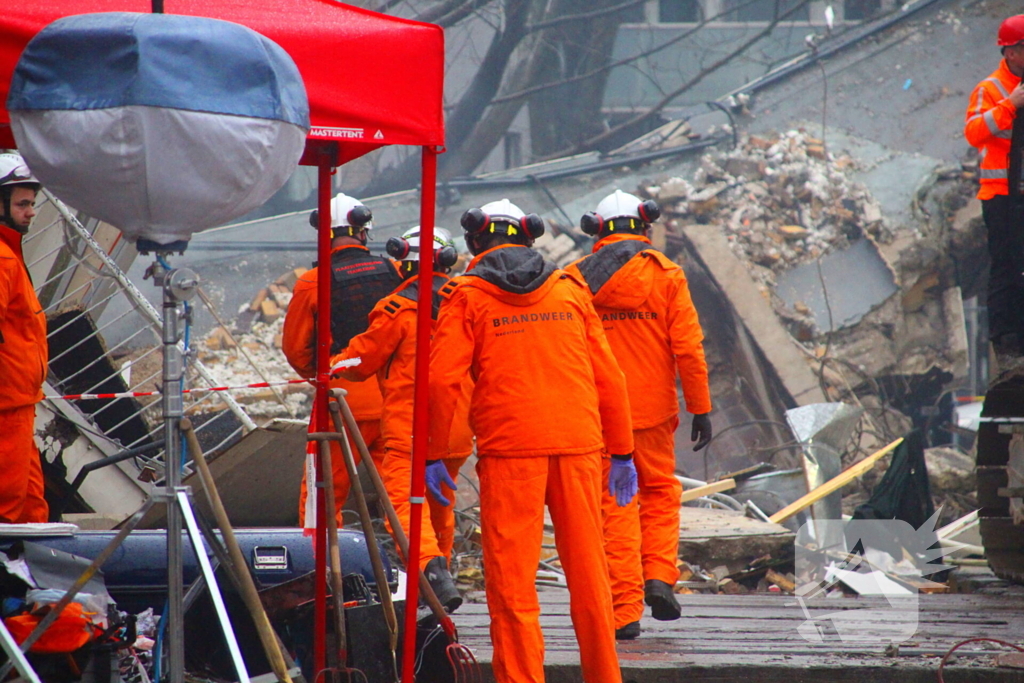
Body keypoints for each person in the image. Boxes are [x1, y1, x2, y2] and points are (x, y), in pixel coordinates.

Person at [428, 198, 637, 683]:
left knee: (513, 585)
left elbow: (442, 382)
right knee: (590, 577)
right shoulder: (569, 289)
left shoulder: (466, 294)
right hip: (579, 444)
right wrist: (622, 450)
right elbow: (610, 377)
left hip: (510, 451)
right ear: (528, 235)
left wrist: (435, 452)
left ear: (475, 240)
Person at [565, 189, 713, 640]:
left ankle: (625, 609)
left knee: (616, 505)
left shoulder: (574, 280)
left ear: (597, 230)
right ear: (644, 227)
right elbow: (688, 347)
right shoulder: (666, 275)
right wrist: (700, 407)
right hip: (652, 413)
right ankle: (659, 578)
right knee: (659, 495)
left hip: (598, 414)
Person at [330, 226, 468, 611]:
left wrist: (331, 366)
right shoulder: (468, 302)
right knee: (441, 504)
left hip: (411, 428)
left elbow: (363, 358)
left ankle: (433, 573)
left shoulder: (397, 309)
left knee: (404, 506)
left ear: (402, 263)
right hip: (456, 429)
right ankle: (440, 583)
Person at [282, 192, 402, 526]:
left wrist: (324, 374)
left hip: (341, 399)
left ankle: (318, 567)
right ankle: (417, 570)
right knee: (399, 493)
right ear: (363, 231)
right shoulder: (393, 271)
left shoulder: (312, 282)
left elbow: (296, 349)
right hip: (394, 397)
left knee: (324, 491)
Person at [965, 14, 1024, 358]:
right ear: (1010, 53)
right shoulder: (990, 90)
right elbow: (974, 132)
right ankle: (1007, 343)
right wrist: (1009, 106)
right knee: (1006, 268)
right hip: (1002, 198)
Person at [0, 152, 49, 524]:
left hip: (20, 403)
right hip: (7, 408)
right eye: (22, 204)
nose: (31, 212)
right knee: (9, 508)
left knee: (32, 508)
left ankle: (33, 579)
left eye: (31, 203)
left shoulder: (10, 256)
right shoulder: (2, 259)